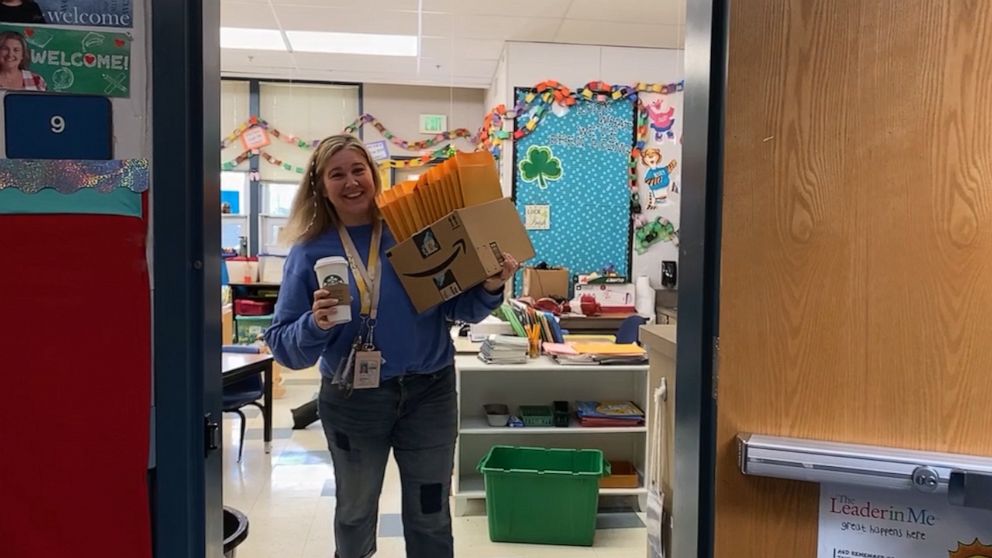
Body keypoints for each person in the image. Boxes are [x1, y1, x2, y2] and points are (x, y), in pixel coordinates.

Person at [264, 134, 519, 558]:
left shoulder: (409, 231)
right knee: (355, 510)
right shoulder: (310, 251)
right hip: (353, 401)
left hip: (429, 394)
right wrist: (316, 322)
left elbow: (460, 307)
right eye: (337, 174)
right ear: (320, 185)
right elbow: (287, 349)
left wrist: (492, 283)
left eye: (358, 170)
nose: (351, 182)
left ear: (374, 175)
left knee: (430, 511)